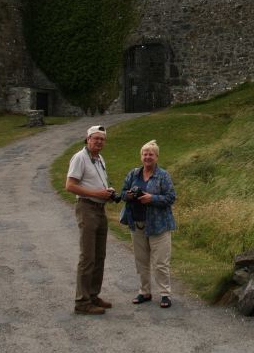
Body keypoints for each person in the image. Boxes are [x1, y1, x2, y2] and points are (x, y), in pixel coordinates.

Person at [66, 125, 118, 315]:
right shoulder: (80, 157)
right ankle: (82, 302)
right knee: (87, 257)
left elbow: (97, 181)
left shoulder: (99, 158)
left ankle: (93, 295)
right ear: (87, 139)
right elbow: (70, 186)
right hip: (87, 207)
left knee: (99, 255)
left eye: (102, 139)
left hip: (99, 208)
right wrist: (97, 193)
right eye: (95, 138)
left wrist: (108, 192)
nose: (99, 142)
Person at [120, 139, 177, 308]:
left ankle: (165, 294)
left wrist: (152, 198)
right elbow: (122, 193)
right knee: (141, 261)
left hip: (159, 226)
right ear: (141, 156)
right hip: (137, 224)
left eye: (151, 154)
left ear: (157, 157)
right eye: (145, 154)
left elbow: (171, 197)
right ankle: (144, 292)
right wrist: (129, 195)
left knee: (161, 262)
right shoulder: (133, 174)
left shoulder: (163, 175)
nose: (147, 157)